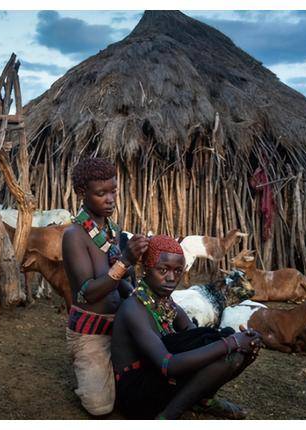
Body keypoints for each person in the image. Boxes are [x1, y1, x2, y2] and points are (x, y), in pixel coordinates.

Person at [111, 235, 262, 419]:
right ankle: (167, 416)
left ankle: (205, 400)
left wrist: (243, 340)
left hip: (155, 377)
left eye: (178, 270)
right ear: (145, 269)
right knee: (226, 347)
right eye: (163, 270)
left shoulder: (166, 302)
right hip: (136, 395)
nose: (172, 278)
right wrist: (230, 343)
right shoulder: (134, 309)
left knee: (229, 344)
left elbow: (197, 336)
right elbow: (168, 365)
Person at [62, 157, 150, 416]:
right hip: (90, 332)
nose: (110, 199)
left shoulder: (112, 232)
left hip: (120, 326)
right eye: (101, 193)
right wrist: (125, 261)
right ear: (82, 193)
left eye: (113, 191)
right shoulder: (74, 236)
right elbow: (87, 293)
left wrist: (136, 294)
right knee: (100, 408)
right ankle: (90, 367)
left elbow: (120, 283)